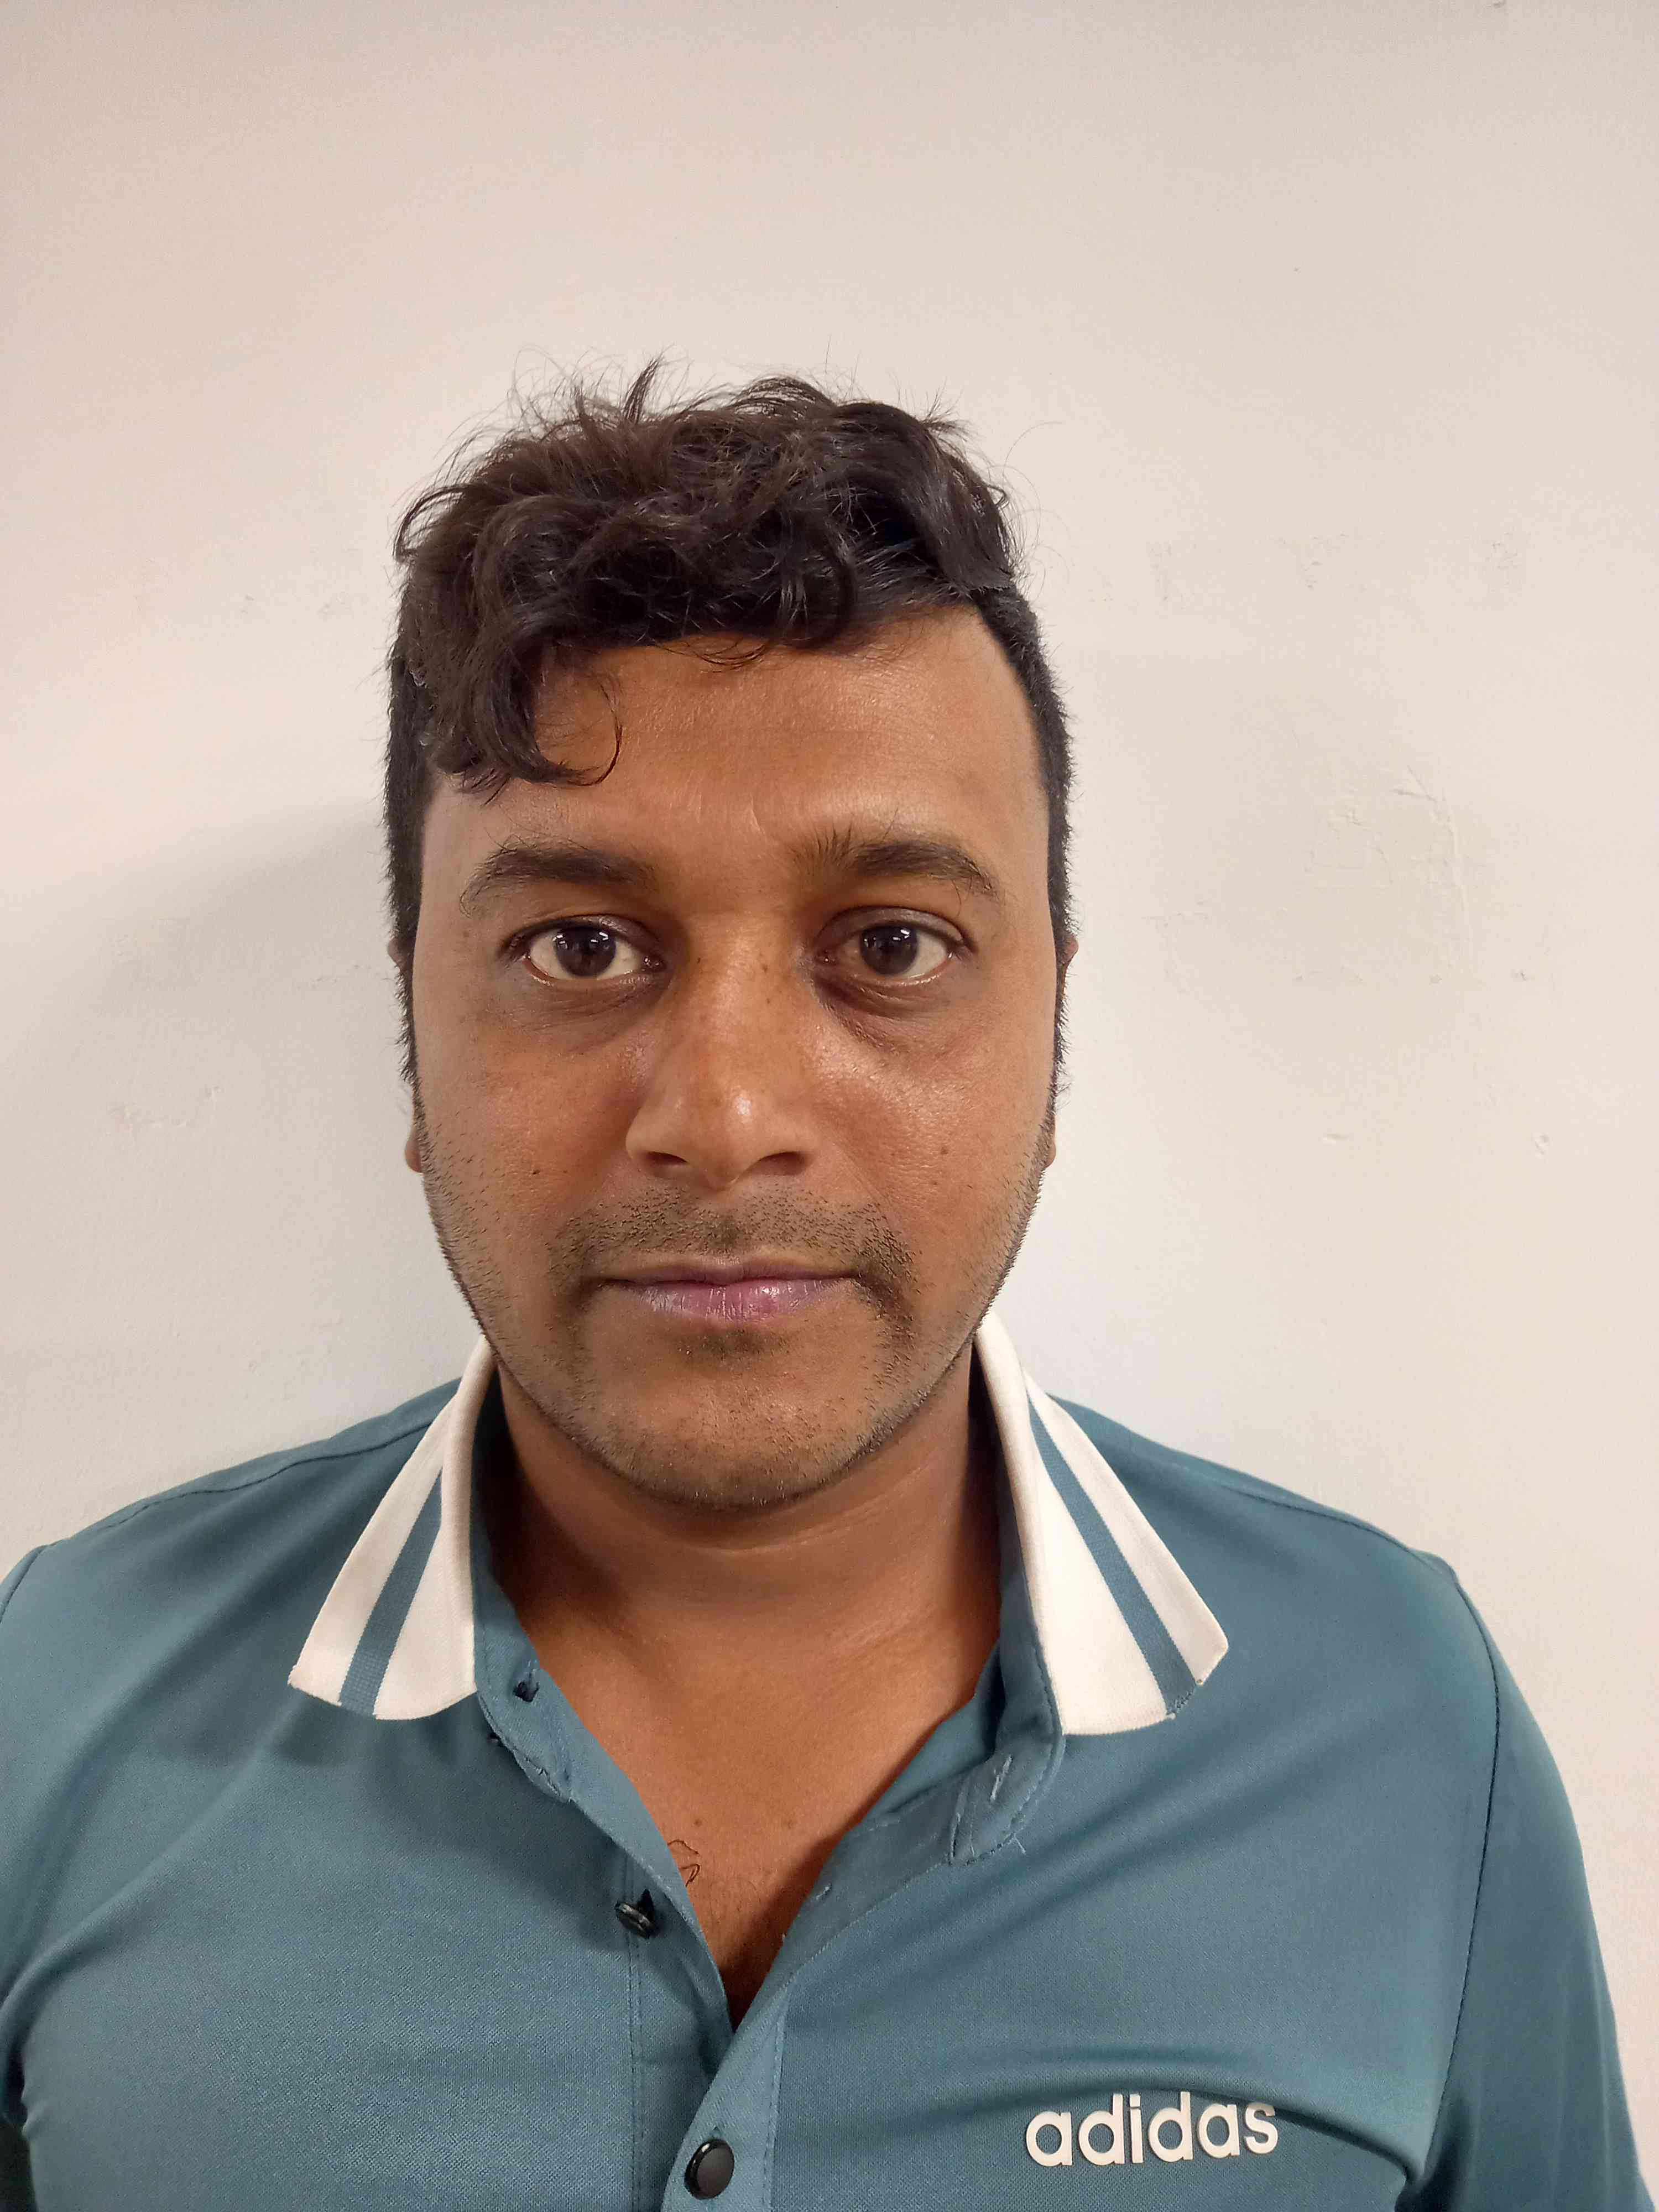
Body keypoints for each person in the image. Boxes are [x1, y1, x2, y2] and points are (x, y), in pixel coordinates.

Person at [0, 364, 1647, 2210]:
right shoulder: (55, 1699)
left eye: (891, 946)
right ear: (412, 1027)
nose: (727, 1119)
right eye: (580, 946)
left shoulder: (1400, 1717)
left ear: (1053, 1028)